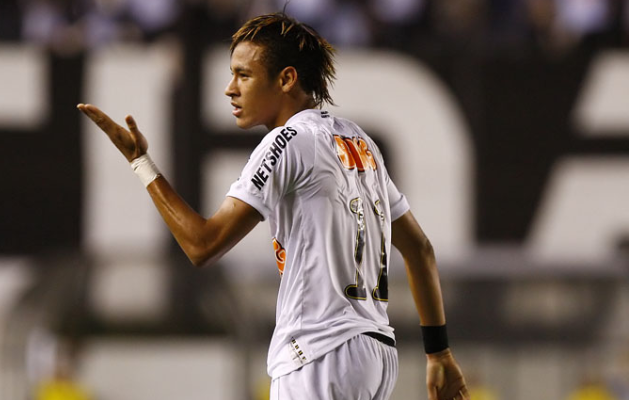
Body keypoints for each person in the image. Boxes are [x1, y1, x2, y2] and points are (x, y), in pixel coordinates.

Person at [78, 12, 468, 400]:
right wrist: (439, 352)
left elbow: (202, 244)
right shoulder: (358, 139)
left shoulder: (289, 140)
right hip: (375, 353)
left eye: (243, 75)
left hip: (319, 354)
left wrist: (141, 164)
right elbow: (420, 249)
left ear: (286, 79)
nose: (230, 89)